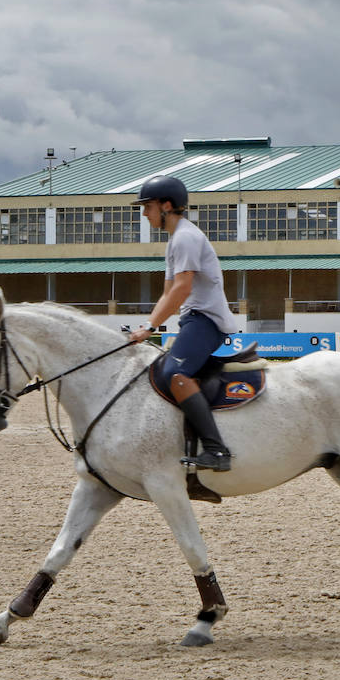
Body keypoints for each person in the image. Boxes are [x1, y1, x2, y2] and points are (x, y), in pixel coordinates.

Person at [129, 175, 239, 471]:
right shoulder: (174, 242)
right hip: (193, 320)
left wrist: (150, 328)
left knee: (174, 374)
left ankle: (217, 452)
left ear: (166, 206)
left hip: (206, 321)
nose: (144, 213)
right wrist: (146, 326)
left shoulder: (186, 238)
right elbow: (167, 294)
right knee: (165, 370)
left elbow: (182, 289)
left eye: (147, 206)